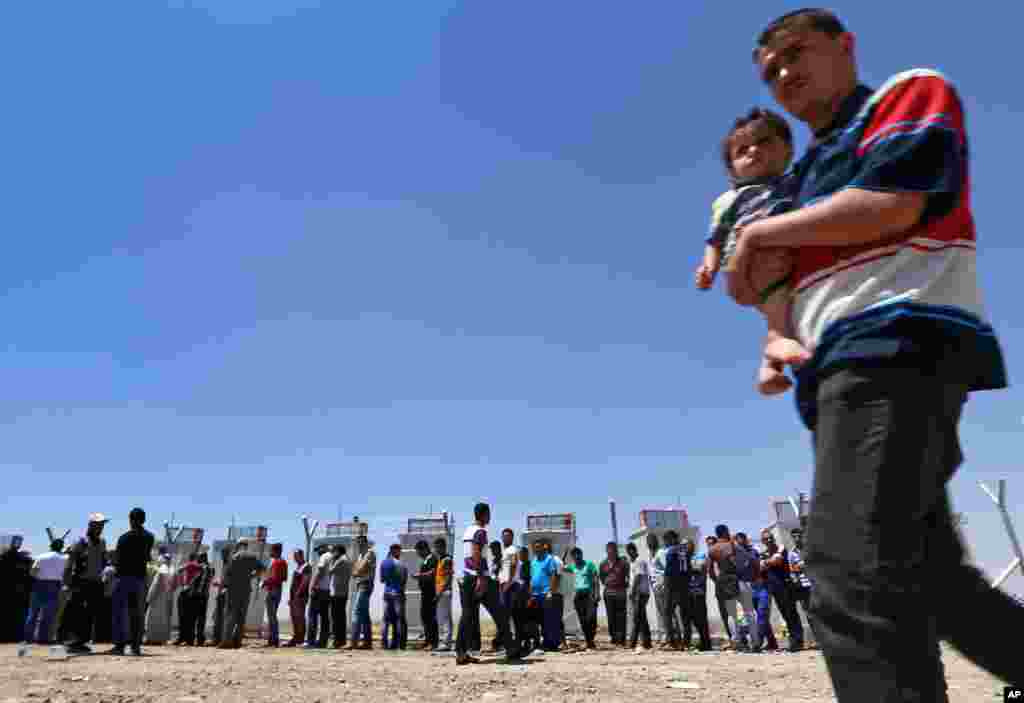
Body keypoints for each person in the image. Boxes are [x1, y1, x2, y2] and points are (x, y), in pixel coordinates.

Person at [733, 7, 1024, 695]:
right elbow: (759, 282)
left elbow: (895, 202)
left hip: (895, 344)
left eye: (796, 54)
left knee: (849, 569)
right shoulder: (797, 180)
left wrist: (765, 238)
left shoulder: (906, 95)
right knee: (931, 575)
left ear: (844, 47)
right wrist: (756, 265)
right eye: (772, 71)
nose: (785, 75)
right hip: (839, 369)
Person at [695, 106, 808, 395]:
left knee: (782, 306)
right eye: (742, 150)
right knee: (778, 301)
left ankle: (770, 369)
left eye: (764, 142)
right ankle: (776, 344)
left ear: (787, 150)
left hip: (783, 253)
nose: (753, 151)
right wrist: (708, 267)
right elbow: (715, 238)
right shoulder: (733, 199)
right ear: (732, 169)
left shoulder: (793, 182)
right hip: (750, 259)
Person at [454, 502, 520, 665]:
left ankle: (461, 653)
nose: (489, 517)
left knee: (467, 616)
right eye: (488, 514)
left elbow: (470, 555)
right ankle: (511, 648)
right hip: (479, 577)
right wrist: (481, 578)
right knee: (499, 612)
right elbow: (476, 553)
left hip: (467, 577)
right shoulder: (481, 532)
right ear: (484, 515)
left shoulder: (468, 530)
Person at [107, 509, 154, 656]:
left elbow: (118, 560)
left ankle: (120, 645)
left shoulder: (124, 538)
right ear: (144, 520)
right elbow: (147, 557)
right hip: (139, 578)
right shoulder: (149, 537)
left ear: (131, 519)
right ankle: (135, 645)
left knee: (120, 612)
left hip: (123, 577)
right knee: (137, 613)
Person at [63, 513, 110, 654]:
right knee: (76, 611)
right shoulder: (80, 541)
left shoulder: (102, 542)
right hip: (81, 581)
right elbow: (70, 561)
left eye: (102, 525)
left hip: (95, 582)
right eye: (98, 525)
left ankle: (82, 641)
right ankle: (71, 641)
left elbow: (103, 560)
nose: (100, 527)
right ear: (91, 525)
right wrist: (67, 580)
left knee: (90, 612)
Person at [708, 524, 759, 652]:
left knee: (731, 614)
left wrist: (718, 580)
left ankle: (736, 642)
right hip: (738, 579)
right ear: (725, 532)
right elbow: (742, 559)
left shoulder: (712, 549)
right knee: (749, 611)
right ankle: (755, 641)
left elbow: (710, 570)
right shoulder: (731, 545)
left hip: (724, 582)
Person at [760, 529, 803, 652]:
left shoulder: (781, 548)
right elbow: (760, 566)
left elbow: (777, 560)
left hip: (786, 586)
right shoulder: (764, 553)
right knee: (785, 614)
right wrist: (768, 562)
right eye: (766, 539)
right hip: (774, 589)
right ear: (763, 541)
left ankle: (797, 641)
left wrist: (766, 562)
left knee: (791, 614)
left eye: (770, 537)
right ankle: (795, 640)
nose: (769, 540)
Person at [735, 532, 776, 652]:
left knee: (762, 615)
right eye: (738, 542)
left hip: (762, 587)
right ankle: (771, 642)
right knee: (757, 616)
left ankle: (757, 643)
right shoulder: (736, 557)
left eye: (743, 541)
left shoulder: (755, 552)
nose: (741, 544)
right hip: (748, 589)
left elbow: (763, 565)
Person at [218, 541, 263, 649]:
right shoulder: (252, 557)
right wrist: (251, 576)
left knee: (230, 615)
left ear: (238, 546)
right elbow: (262, 569)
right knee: (241, 617)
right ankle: (237, 641)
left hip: (233, 590)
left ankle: (227, 641)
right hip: (246, 590)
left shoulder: (233, 557)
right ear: (246, 546)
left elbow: (227, 574)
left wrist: (223, 587)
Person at [23, 539, 67, 645]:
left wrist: (40, 577)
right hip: (55, 584)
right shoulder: (65, 558)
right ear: (61, 547)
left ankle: (28, 638)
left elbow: (33, 572)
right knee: (48, 613)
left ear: (50, 546)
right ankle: (43, 638)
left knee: (33, 612)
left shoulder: (41, 556)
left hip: (39, 584)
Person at [527, 539, 560, 654]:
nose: (536, 549)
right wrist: (530, 594)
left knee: (549, 620)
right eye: (534, 547)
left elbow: (553, 575)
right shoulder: (534, 561)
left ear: (543, 547)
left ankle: (551, 644)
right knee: (537, 620)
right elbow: (532, 578)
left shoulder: (549, 559)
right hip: (535, 595)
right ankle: (539, 642)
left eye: (538, 547)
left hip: (546, 593)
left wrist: (551, 591)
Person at [564, 547, 599, 649]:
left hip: (589, 594)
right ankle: (589, 641)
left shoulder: (589, 564)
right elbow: (561, 567)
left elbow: (596, 578)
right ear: (572, 557)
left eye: (578, 554)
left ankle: (591, 638)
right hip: (578, 596)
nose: (577, 557)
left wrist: (596, 593)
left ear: (581, 554)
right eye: (574, 555)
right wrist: (563, 557)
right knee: (583, 620)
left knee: (591, 618)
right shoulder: (572, 567)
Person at [660, 530, 689, 651]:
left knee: (667, 612)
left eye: (666, 540)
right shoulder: (684, 550)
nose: (665, 543)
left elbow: (668, 570)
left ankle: (671, 641)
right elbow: (687, 569)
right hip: (683, 584)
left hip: (671, 584)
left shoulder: (670, 551)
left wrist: (666, 584)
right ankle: (686, 642)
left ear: (671, 539)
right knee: (684, 614)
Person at [786, 527, 815, 644]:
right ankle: (817, 638)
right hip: (803, 586)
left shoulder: (810, 549)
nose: (797, 538)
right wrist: (801, 566)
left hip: (815, 584)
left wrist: (800, 566)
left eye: (799, 536)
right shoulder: (791, 553)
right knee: (809, 613)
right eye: (794, 536)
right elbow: (792, 570)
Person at [682, 538, 711, 651]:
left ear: (692, 546)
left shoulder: (700, 556)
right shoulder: (684, 559)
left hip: (698, 593)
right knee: (691, 620)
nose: (684, 548)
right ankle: (691, 643)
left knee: (701, 620)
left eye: (686, 545)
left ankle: (706, 643)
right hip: (687, 593)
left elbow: (698, 569)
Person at [347, 535, 375, 650]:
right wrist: (356, 571)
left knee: (357, 612)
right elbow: (356, 569)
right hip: (361, 583)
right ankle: (367, 642)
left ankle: (353, 642)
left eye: (361, 543)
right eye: (358, 543)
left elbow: (361, 569)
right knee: (364, 614)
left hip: (365, 584)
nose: (359, 545)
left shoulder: (369, 553)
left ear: (365, 543)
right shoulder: (360, 555)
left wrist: (356, 571)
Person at [599, 541, 629, 647]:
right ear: (607, 551)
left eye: (613, 549)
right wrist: (608, 583)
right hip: (608, 592)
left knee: (621, 616)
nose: (611, 552)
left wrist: (623, 585)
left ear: (616, 551)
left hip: (620, 592)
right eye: (609, 549)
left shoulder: (623, 563)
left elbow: (628, 577)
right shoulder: (603, 564)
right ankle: (614, 638)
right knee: (611, 617)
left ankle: (621, 640)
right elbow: (602, 578)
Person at [380, 543, 407, 650]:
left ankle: (384, 643)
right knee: (400, 619)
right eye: (399, 551)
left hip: (387, 593)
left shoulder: (383, 563)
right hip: (398, 593)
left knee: (386, 620)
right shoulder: (401, 564)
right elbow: (404, 580)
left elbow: (382, 580)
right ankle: (400, 644)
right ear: (396, 551)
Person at [145, 551, 175, 645]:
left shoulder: (161, 570)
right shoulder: (171, 570)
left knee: (152, 618)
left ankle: (152, 638)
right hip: (166, 597)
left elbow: (155, 585)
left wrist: (149, 597)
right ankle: (162, 638)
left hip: (157, 597)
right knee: (164, 619)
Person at [304, 544, 332, 649]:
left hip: (319, 589)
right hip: (328, 590)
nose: (318, 552)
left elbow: (320, 571)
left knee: (312, 615)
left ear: (323, 548)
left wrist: (313, 586)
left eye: (319, 550)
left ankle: (310, 641)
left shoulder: (324, 556)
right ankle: (323, 642)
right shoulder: (333, 557)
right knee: (325, 617)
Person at [705, 535, 732, 641]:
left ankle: (737, 638)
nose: (710, 546)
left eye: (712, 544)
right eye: (708, 545)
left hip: (728, 587)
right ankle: (731, 637)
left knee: (731, 613)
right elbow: (710, 573)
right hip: (719, 587)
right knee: (724, 614)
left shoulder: (722, 557)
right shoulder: (709, 558)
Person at [626, 543, 652, 651]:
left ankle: (633, 642)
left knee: (637, 618)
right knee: (641, 618)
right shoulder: (632, 562)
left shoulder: (639, 561)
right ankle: (647, 642)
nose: (629, 554)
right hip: (639, 593)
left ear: (634, 550)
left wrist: (632, 590)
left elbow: (638, 576)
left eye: (630, 551)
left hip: (640, 593)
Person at [261, 543, 287, 647]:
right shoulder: (283, 562)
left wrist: (265, 582)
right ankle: (272, 638)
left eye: (271, 550)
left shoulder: (277, 562)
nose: (270, 553)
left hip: (273, 590)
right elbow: (283, 578)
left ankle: (273, 639)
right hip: (277, 589)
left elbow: (275, 578)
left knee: (271, 616)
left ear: (276, 551)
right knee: (272, 615)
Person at [173, 552, 202, 647]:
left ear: (189, 558)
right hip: (195, 594)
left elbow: (178, 570)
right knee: (192, 617)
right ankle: (190, 639)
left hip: (186, 591)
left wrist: (182, 583)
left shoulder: (189, 565)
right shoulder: (200, 567)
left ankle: (182, 637)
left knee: (182, 616)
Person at [284, 549, 311, 647]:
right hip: (294, 597)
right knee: (294, 617)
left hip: (300, 597)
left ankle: (301, 639)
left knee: (300, 618)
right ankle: (295, 638)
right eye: (294, 556)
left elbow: (305, 582)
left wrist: (297, 595)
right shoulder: (298, 567)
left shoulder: (306, 566)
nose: (295, 558)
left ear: (301, 555)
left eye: (296, 556)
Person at [414, 540, 438, 650]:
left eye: (419, 551)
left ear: (424, 549)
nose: (418, 554)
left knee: (430, 617)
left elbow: (432, 573)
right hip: (425, 593)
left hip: (431, 592)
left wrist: (419, 576)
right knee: (425, 616)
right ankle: (428, 640)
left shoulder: (432, 559)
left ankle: (433, 642)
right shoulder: (425, 561)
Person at [328, 544, 352, 649]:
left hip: (337, 593)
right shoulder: (346, 559)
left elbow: (330, 570)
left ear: (338, 551)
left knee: (336, 618)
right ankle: (340, 640)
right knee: (340, 617)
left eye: (334, 551)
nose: (333, 553)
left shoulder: (341, 560)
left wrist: (332, 559)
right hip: (343, 592)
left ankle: (338, 641)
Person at [433, 537, 454, 652]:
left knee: (444, 618)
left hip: (444, 592)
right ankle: (446, 641)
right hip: (442, 592)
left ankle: (445, 642)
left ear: (442, 547)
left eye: (437, 547)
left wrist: (439, 593)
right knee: (444, 617)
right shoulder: (441, 559)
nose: (436, 550)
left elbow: (448, 578)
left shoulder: (446, 559)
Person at [208, 546, 232, 647]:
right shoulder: (226, 564)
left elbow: (229, 581)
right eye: (222, 554)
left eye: (225, 554)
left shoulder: (230, 565)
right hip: (221, 593)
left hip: (225, 593)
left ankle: (218, 639)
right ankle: (216, 638)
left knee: (221, 617)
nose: (223, 556)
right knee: (218, 616)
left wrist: (222, 585)